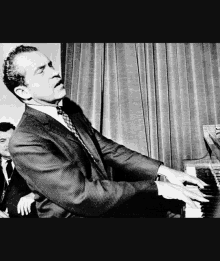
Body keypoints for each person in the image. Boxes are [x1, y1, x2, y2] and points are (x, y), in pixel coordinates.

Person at [1, 45, 209, 218]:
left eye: (50, 65)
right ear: (23, 92)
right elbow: (80, 195)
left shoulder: (69, 110)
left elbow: (106, 148)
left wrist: (163, 171)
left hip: (104, 204)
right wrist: (159, 187)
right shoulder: (25, 140)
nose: (55, 73)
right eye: (41, 71)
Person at [0, 122, 38, 218]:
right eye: (2, 141)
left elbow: (55, 186)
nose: (8, 144)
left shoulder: (33, 160)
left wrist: (33, 195)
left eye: (12, 139)